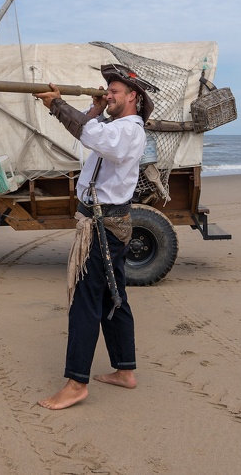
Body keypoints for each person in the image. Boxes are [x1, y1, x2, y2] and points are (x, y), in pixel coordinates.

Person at [32, 63, 154, 410]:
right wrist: (96, 108)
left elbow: (93, 136)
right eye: (108, 91)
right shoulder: (113, 125)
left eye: (115, 92)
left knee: (85, 301)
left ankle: (75, 384)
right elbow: (90, 128)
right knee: (112, 298)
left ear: (133, 97)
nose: (109, 95)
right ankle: (125, 370)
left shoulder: (129, 130)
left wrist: (57, 105)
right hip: (105, 223)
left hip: (104, 227)